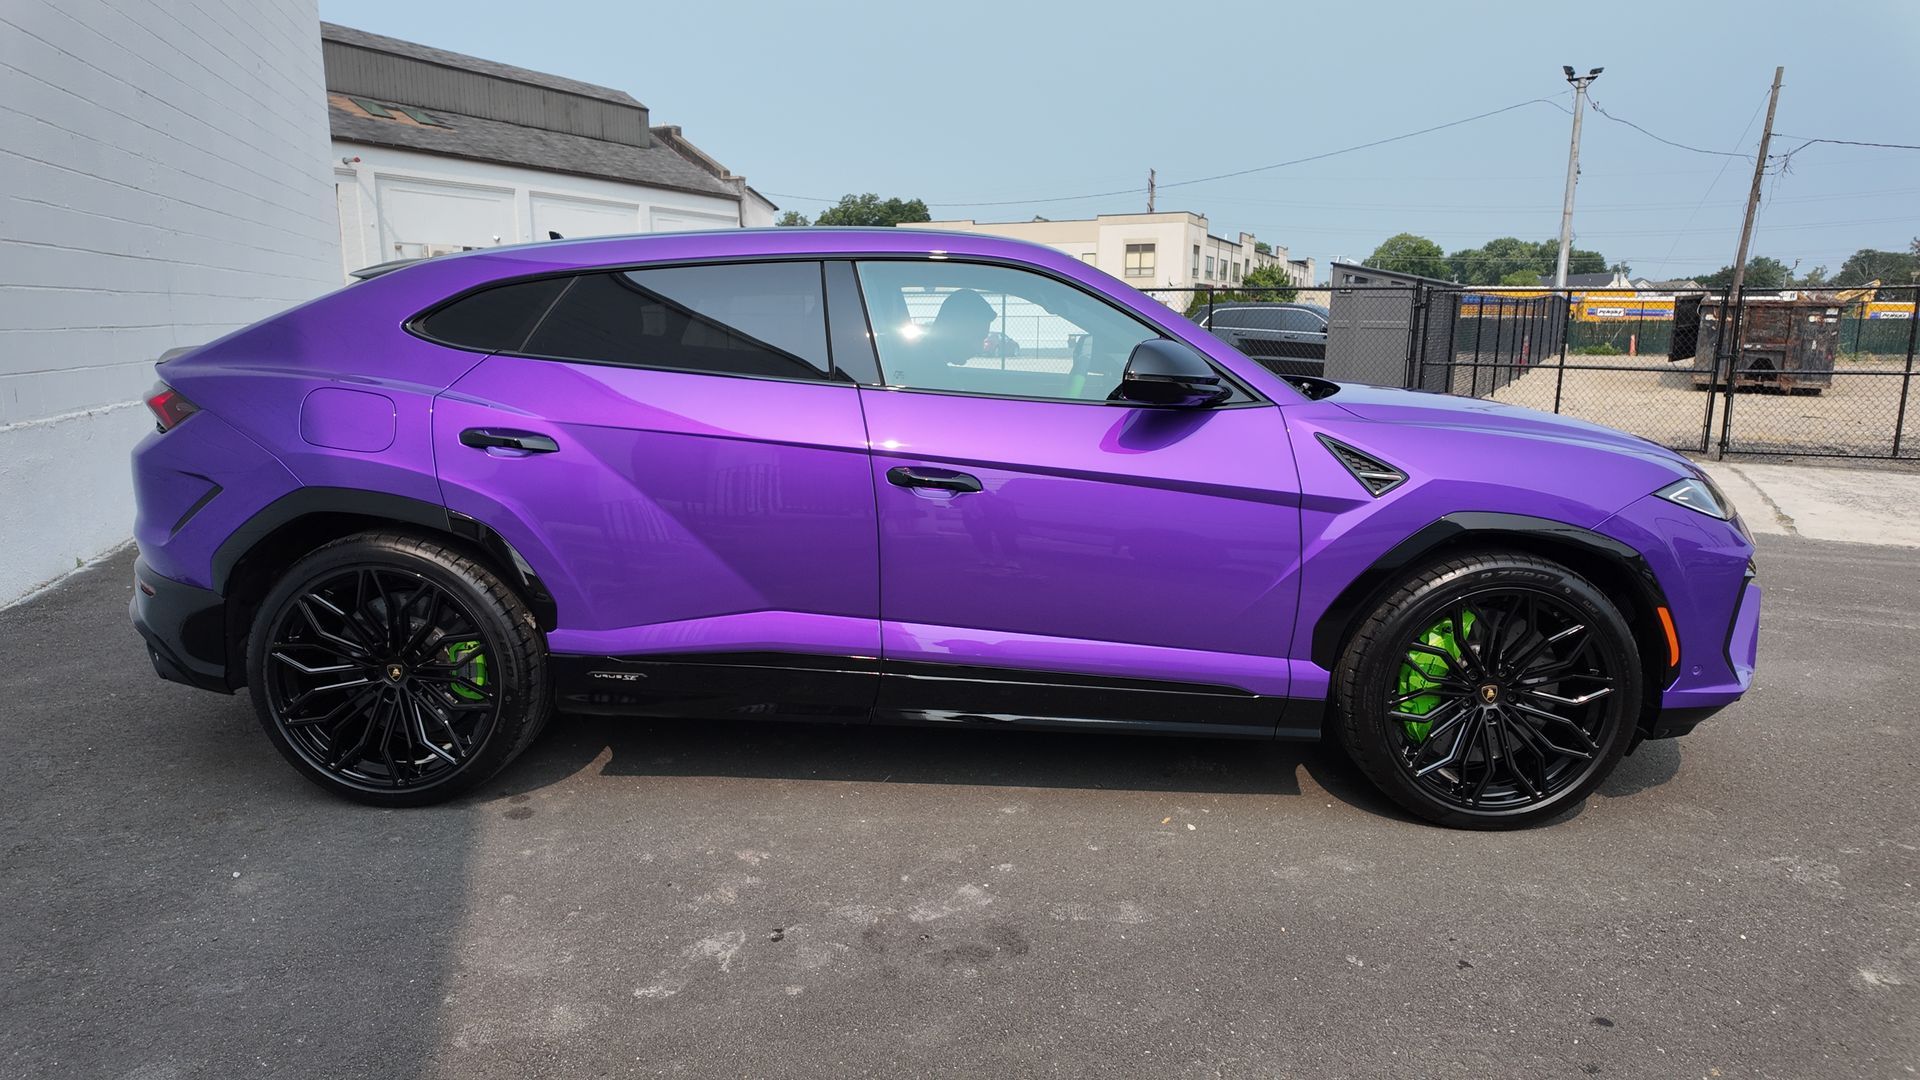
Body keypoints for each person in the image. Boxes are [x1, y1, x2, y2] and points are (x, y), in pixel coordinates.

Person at [922, 289, 997, 368]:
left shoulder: (922, 363)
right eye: (976, 338)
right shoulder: (930, 373)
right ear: (953, 331)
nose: (980, 349)